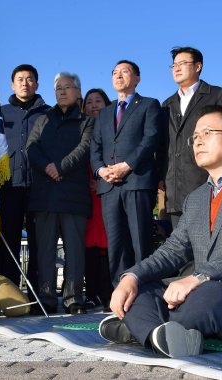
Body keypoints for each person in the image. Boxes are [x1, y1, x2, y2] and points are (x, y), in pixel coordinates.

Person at [99, 105, 222, 358]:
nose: (198, 141)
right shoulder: (195, 197)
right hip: (204, 296)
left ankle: (141, 329)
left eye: (208, 133)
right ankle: (162, 334)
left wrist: (199, 277)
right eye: (195, 136)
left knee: (209, 294)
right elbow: (173, 250)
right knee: (141, 289)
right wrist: (132, 277)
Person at [26, 72, 94, 315]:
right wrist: (47, 167)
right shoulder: (43, 119)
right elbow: (31, 148)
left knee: (74, 251)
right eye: (58, 89)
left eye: (67, 88)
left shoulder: (87, 121)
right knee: (44, 250)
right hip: (44, 194)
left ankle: (73, 298)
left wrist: (60, 167)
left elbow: (84, 148)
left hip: (73, 194)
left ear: (78, 92)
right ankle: (46, 297)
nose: (62, 92)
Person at [90, 60, 162, 286]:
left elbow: (150, 140)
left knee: (140, 241)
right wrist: (101, 170)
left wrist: (126, 165)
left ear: (137, 78)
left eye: (125, 72)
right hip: (109, 186)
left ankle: (145, 293)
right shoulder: (105, 113)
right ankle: (119, 292)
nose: (118, 76)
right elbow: (95, 147)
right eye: (114, 72)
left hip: (136, 182)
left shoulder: (149, 105)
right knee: (116, 243)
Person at [158, 47, 222, 228]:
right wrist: (161, 175)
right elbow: (162, 145)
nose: (176, 68)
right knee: (181, 249)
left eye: (182, 64)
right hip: (174, 187)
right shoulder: (167, 104)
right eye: (173, 65)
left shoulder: (215, 95)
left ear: (198, 66)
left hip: (206, 182)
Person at [0, 64, 50, 291]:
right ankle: (8, 292)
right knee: (7, 240)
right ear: (12, 84)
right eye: (20, 79)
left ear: (37, 84)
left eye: (29, 79)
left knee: (39, 242)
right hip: (9, 185)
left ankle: (36, 291)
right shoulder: (1, 112)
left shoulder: (48, 113)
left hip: (39, 186)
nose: (24, 83)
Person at [82, 88, 113, 311]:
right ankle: (91, 292)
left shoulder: (113, 127)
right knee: (87, 246)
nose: (94, 105)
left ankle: (109, 292)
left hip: (108, 192)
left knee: (109, 244)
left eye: (98, 101)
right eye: (89, 102)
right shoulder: (80, 128)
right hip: (84, 196)